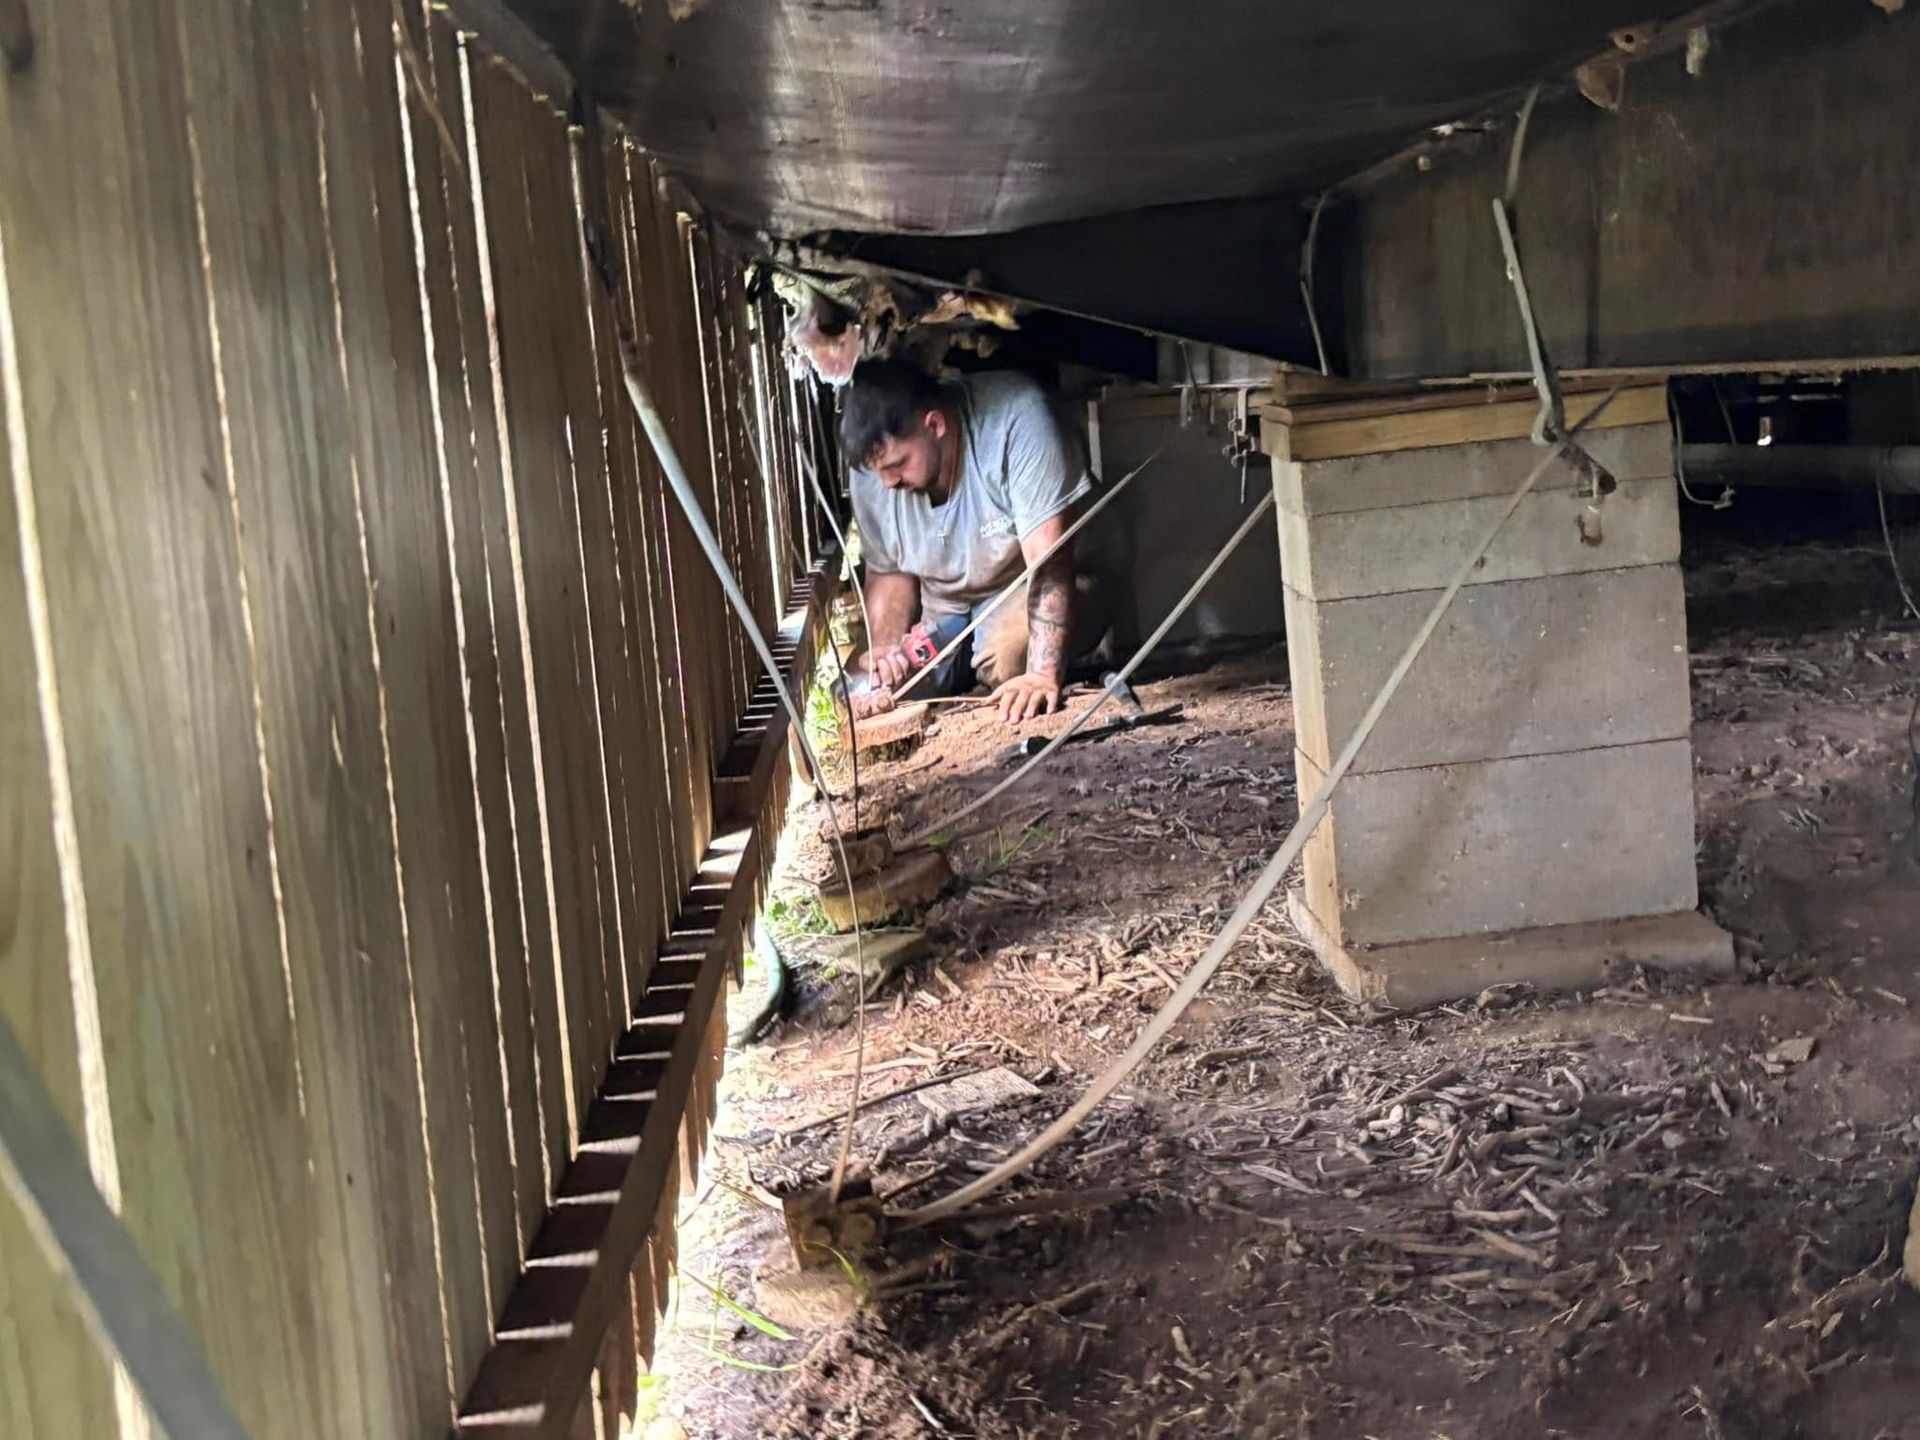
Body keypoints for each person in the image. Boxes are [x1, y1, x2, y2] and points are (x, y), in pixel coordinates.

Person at [839, 358, 1107, 725]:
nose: (888, 483)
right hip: (946, 609)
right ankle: (960, 663)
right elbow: (888, 574)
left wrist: (1042, 675)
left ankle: (987, 663)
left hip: (1036, 578)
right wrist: (886, 649)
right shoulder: (874, 472)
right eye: (879, 472)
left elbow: (1050, 563)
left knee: (1008, 661)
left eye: (898, 465)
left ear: (935, 424)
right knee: (862, 684)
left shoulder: (1020, 418)